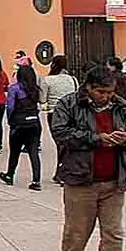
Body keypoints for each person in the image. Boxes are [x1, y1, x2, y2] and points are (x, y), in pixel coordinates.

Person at [51, 65, 126, 251]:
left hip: (113, 184)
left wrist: (125, 138)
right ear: (89, 87)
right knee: (75, 237)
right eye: (101, 92)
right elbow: (61, 134)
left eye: (110, 92)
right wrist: (97, 139)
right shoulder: (68, 105)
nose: (106, 96)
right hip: (81, 183)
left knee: (113, 236)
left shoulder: (120, 106)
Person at [0, 65, 43, 190]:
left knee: (14, 151)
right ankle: (36, 181)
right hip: (34, 123)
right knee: (34, 152)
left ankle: (10, 174)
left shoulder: (14, 89)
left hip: (19, 124)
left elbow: (10, 106)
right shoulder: (35, 90)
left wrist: (10, 121)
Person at [40, 55, 79, 184]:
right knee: (68, 143)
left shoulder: (47, 80)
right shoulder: (73, 80)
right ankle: (62, 171)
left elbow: (42, 99)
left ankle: (62, 173)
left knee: (60, 144)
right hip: (71, 114)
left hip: (54, 113)